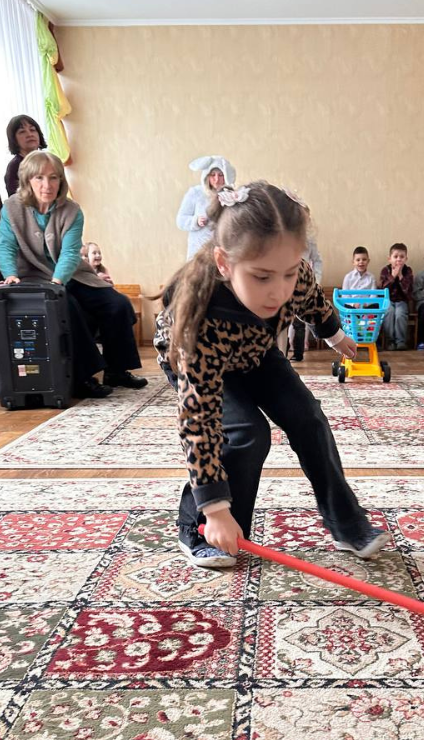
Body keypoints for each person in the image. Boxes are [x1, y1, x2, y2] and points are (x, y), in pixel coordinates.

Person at [154, 181, 389, 568]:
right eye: (262, 277)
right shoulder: (200, 318)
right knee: (246, 432)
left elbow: (310, 296)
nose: (278, 291)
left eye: (289, 273)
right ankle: (198, 526)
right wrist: (214, 510)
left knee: (307, 417)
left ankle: (347, 523)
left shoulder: (288, 277)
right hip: (202, 360)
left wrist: (335, 335)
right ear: (224, 264)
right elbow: (200, 420)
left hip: (254, 351)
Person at [0, 151, 148, 398]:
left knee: (117, 304)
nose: (47, 185)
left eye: (53, 178)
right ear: (27, 181)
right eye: (39, 178)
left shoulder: (72, 210)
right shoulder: (11, 209)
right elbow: (5, 245)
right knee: (69, 306)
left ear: (61, 180)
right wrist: (10, 274)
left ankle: (117, 371)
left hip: (71, 274)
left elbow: (70, 253)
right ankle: (81, 377)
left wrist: (58, 281)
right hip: (34, 277)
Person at [176, 156, 235, 259]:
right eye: (213, 175)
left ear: (226, 175)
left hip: (222, 250)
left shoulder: (232, 196)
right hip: (198, 251)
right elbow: (181, 220)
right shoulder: (196, 193)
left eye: (221, 175)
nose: (217, 179)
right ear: (207, 176)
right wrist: (196, 221)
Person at [290, 236, 324, 361]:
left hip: (303, 285)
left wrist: (316, 281)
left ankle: (298, 353)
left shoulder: (309, 240)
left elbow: (318, 261)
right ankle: (283, 352)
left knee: (299, 321)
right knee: (285, 322)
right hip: (285, 283)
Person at [378, 244, 414, 350]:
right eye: (395, 257)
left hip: (402, 301)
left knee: (400, 314)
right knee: (389, 312)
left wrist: (401, 277)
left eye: (402, 257)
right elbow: (382, 290)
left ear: (406, 259)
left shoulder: (408, 271)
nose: (398, 259)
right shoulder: (385, 270)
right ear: (390, 259)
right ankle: (390, 341)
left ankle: (400, 341)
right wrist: (392, 276)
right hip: (387, 301)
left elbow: (408, 291)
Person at [4, 115, 46, 196]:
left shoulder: (49, 161)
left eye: (32, 130)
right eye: (22, 132)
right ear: (14, 139)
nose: (30, 134)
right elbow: (16, 201)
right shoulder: (15, 166)